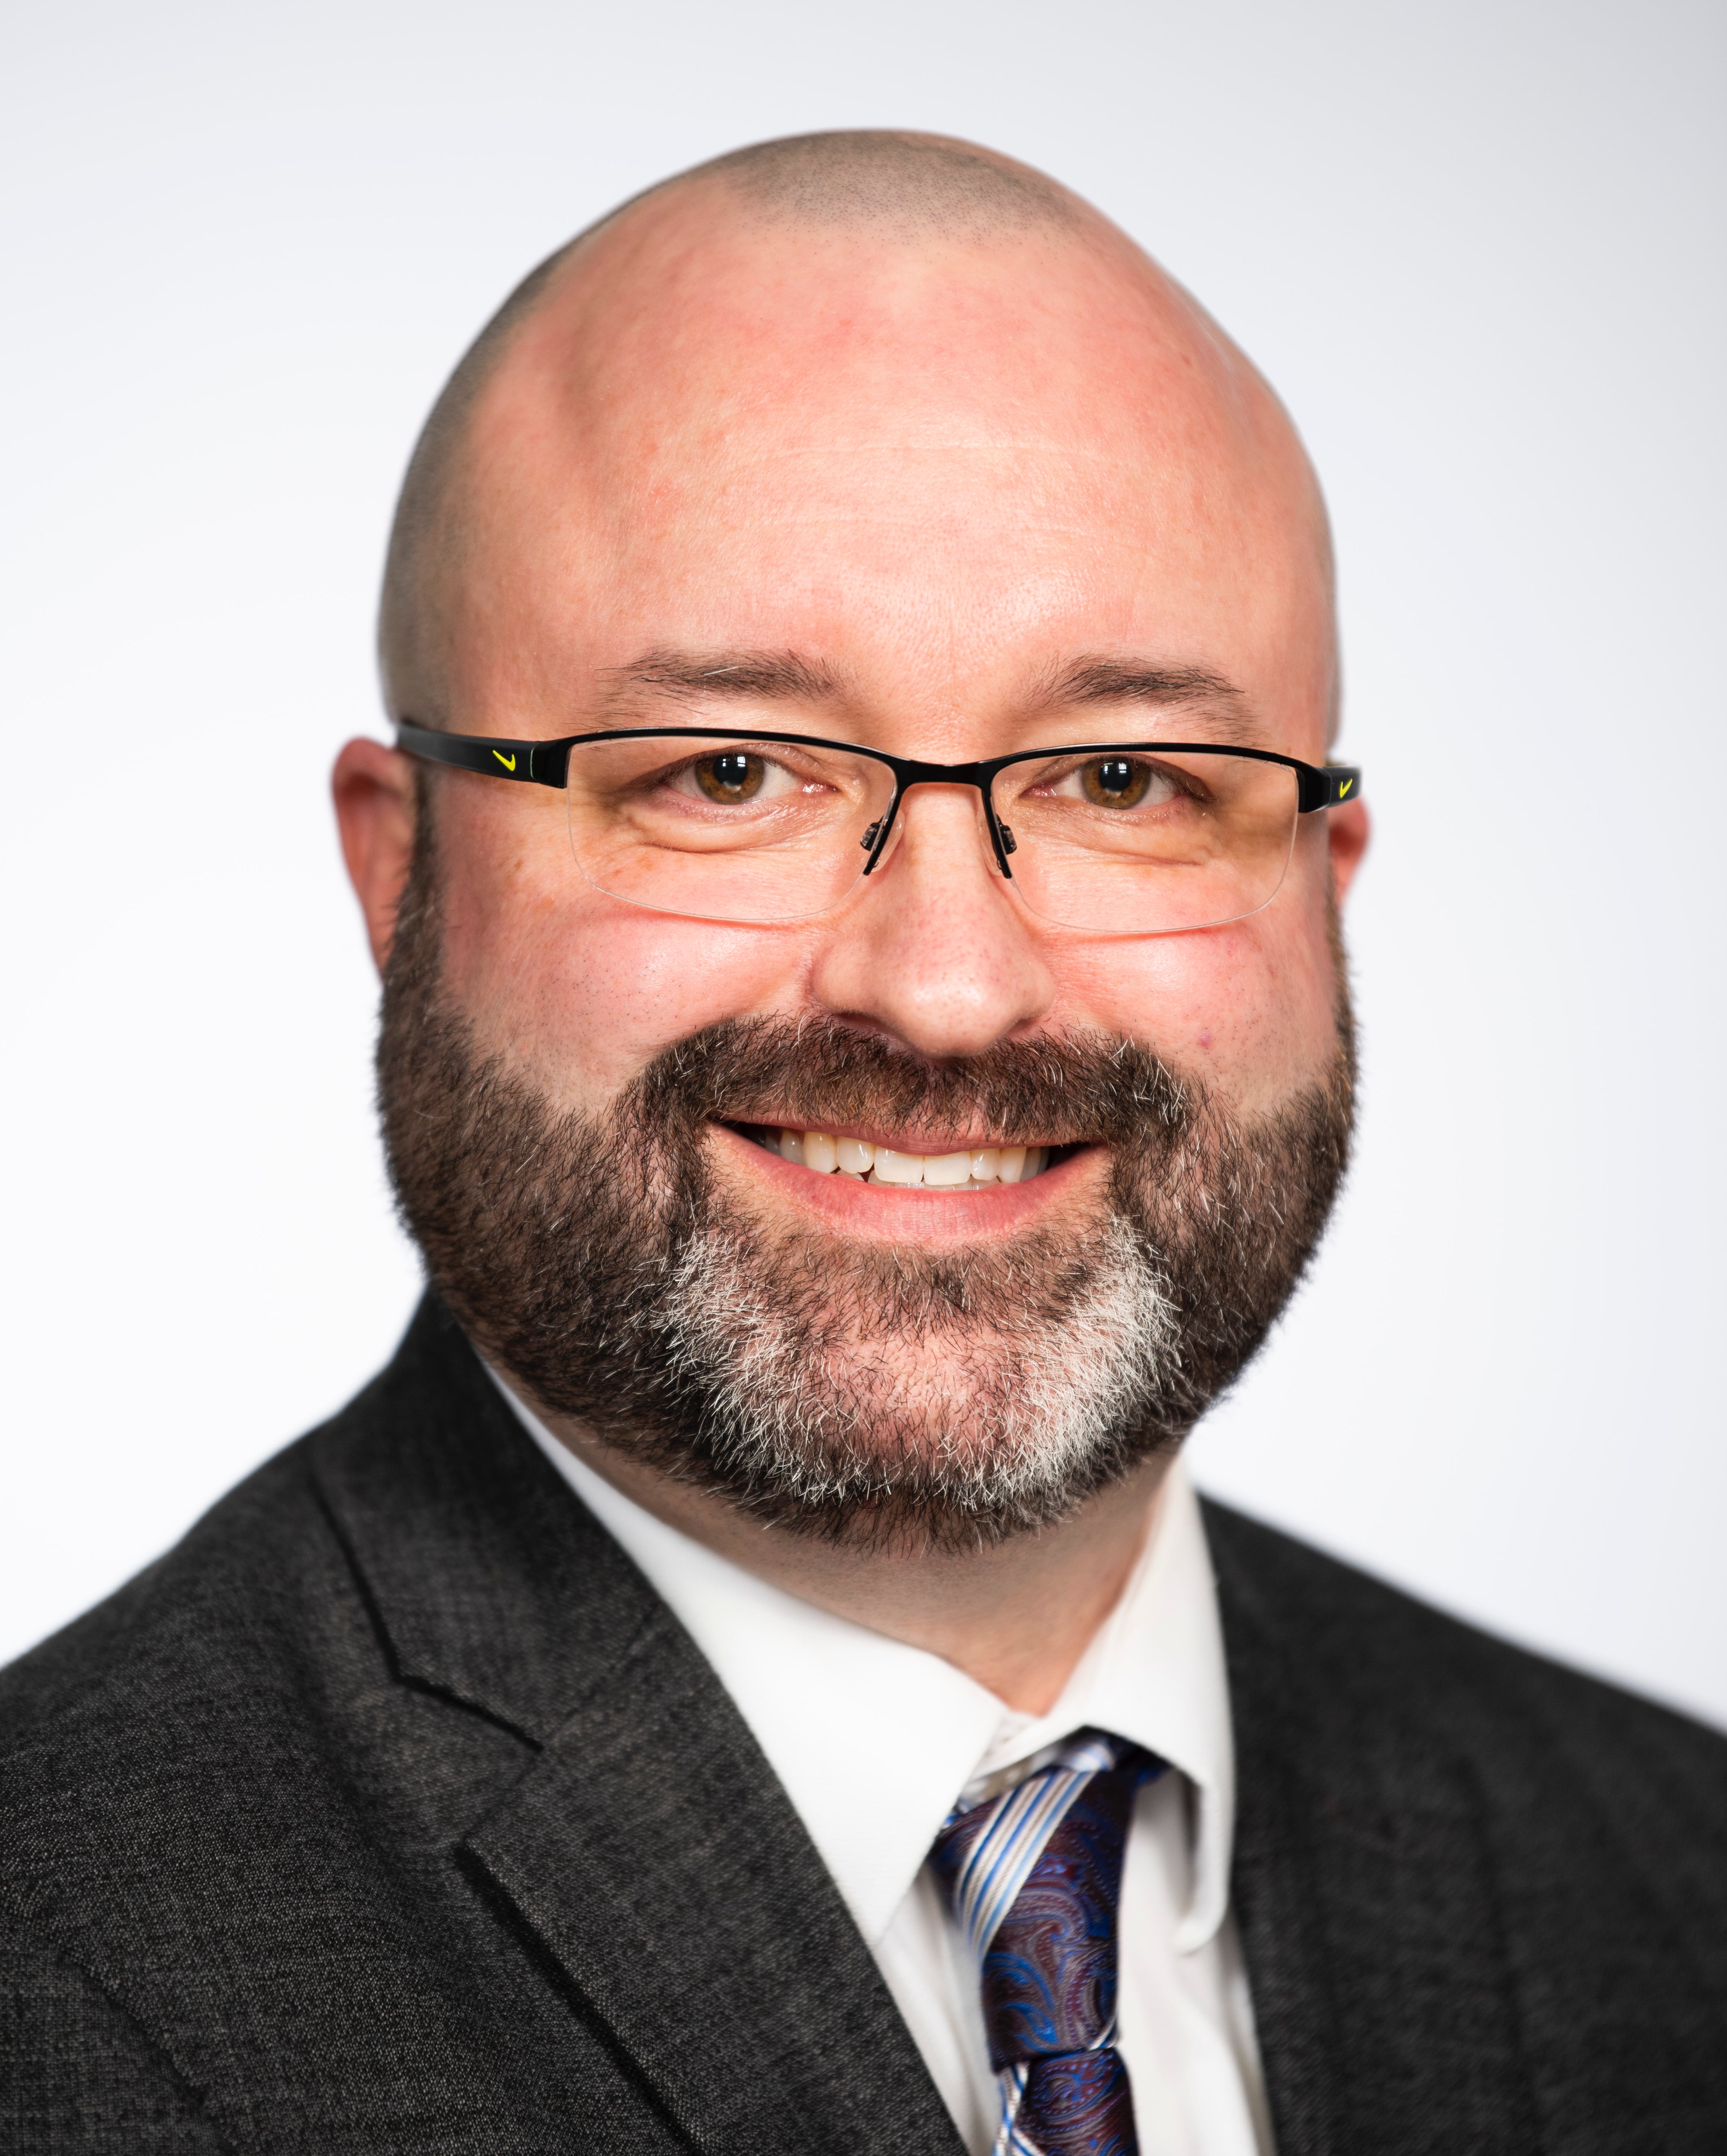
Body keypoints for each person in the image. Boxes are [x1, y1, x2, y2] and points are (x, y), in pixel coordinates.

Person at [2, 130, 1721, 2156]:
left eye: (1124, 779)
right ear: (405, 872)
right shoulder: (58, 1977)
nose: (947, 987)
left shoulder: (1672, 1883)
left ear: (1318, 891)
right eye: (728, 771)